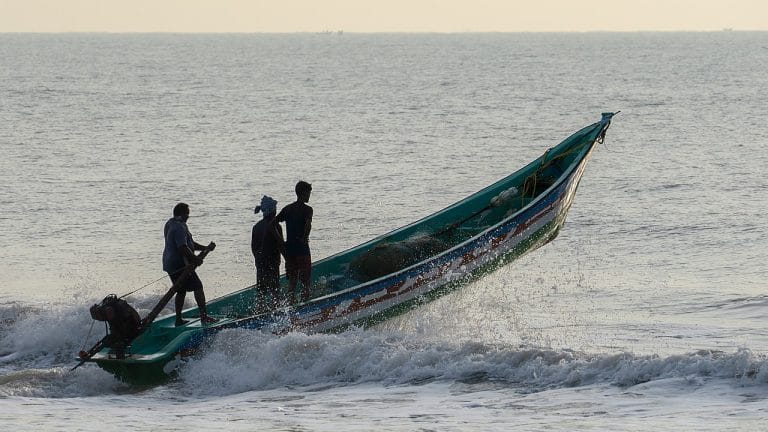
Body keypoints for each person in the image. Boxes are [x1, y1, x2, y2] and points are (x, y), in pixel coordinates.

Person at [162, 202, 217, 326]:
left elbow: (190, 244)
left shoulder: (170, 223)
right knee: (198, 286)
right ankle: (204, 317)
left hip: (169, 264)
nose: (188, 217)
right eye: (187, 214)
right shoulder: (179, 228)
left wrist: (205, 248)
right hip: (179, 265)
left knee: (181, 291)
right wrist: (194, 259)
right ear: (181, 214)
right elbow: (182, 248)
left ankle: (178, 319)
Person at [274, 181, 313, 303]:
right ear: (302, 193)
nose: (309, 196)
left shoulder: (287, 209)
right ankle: (304, 305)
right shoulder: (308, 210)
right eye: (308, 193)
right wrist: (305, 237)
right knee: (305, 282)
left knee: (292, 282)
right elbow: (308, 224)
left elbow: (272, 225)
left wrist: (281, 242)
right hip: (302, 249)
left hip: (289, 250)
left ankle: (291, 305)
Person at [251, 195, 283, 309]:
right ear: (272, 210)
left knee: (261, 290)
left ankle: (259, 310)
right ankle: (275, 309)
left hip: (260, 262)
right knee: (275, 290)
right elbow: (280, 245)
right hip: (272, 262)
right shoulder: (276, 226)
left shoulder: (256, 227)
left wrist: (258, 259)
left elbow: (253, 247)